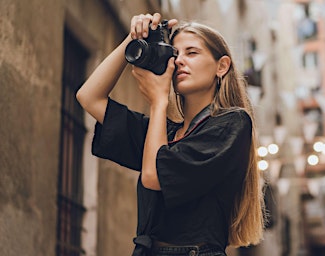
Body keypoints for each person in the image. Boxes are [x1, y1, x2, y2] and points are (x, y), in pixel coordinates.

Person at [76, 13, 265, 256]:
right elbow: (89, 97)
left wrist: (158, 102)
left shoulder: (233, 124)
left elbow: (154, 177)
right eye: (175, 55)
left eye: (192, 53)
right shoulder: (164, 133)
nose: (179, 62)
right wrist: (133, 39)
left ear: (222, 66)